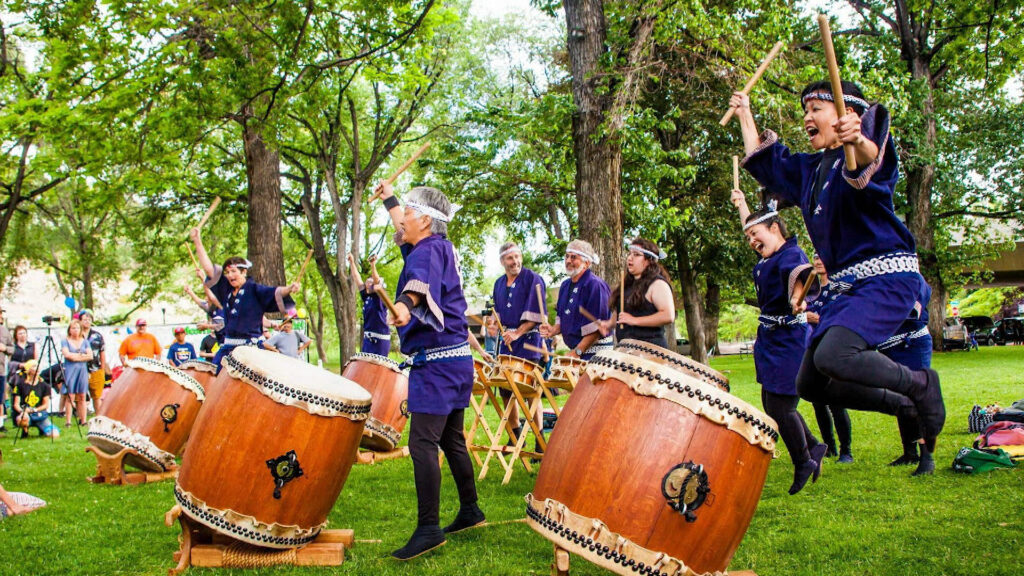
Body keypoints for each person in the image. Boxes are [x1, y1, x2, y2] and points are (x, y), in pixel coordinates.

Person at [731, 81, 946, 466]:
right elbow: (768, 165)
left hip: (886, 279)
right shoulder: (811, 170)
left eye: (816, 108)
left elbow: (870, 158)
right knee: (810, 382)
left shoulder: (857, 151)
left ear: (847, 114)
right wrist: (745, 112)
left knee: (834, 354)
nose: (807, 117)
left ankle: (921, 384)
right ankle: (904, 403)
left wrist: (859, 138)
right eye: (805, 110)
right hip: (847, 289)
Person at [375, 180, 484, 560]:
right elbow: (406, 236)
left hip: (437, 364)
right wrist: (389, 197)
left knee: (421, 442)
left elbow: (417, 287)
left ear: (424, 219)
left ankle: (428, 529)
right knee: (451, 439)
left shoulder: (426, 252)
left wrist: (404, 305)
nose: (400, 218)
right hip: (456, 361)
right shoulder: (438, 245)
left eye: (406, 210)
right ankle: (470, 510)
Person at [731, 191, 827, 495]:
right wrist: (742, 205)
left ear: (775, 229)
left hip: (789, 340)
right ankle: (813, 446)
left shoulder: (791, 255)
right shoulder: (769, 256)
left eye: (755, 236)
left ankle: (804, 460)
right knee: (775, 403)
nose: (751, 242)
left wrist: (798, 298)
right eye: (748, 238)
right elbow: (755, 224)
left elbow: (799, 280)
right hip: (771, 339)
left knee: (780, 406)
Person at [189, 228, 299, 370]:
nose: (229, 275)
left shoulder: (255, 290)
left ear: (244, 272)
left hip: (252, 349)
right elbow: (209, 269)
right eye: (227, 272)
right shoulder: (226, 290)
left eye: (233, 271)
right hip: (228, 348)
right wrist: (197, 241)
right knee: (214, 378)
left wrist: (289, 288)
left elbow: (275, 292)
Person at [491, 241, 547, 452]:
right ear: (502, 262)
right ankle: (516, 437)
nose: (515, 262)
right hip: (507, 342)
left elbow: (536, 314)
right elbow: (498, 311)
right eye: (510, 258)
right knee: (505, 391)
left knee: (529, 391)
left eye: (517, 257)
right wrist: (493, 323)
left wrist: (518, 333)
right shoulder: (498, 283)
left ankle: (540, 442)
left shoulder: (532, 279)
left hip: (529, 341)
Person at [803, 254, 854, 464]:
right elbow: (798, 309)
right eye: (815, 256)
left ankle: (846, 450)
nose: (818, 260)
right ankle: (829, 447)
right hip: (814, 346)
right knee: (818, 402)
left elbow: (848, 313)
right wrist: (803, 316)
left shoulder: (840, 286)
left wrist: (821, 318)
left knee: (836, 402)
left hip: (834, 347)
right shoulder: (811, 289)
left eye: (823, 256)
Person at [539, 240, 613, 360]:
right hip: (578, 352)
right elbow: (562, 320)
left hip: (597, 354)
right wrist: (552, 330)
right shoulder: (564, 286)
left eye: (574, 257)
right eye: (567, 256)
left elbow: (597, 328)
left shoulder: (595, 285)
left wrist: (577, 352)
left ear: (586, 263)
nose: (568, 261)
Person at [607, 238, 676, 347]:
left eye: (636, 255)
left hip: (650, 351)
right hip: (626, 350)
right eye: (629, 254)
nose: (630, 258)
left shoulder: (658, 284)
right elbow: (618, 319)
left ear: (649, 260)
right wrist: (605, 325)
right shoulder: (627, 285)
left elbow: (668, 315)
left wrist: (635, 320)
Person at [348, 253, 391, 356]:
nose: (369, 282)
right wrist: (352, 262)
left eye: (371, 281)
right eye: (368, 281)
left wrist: (373, 265)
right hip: (368, 339)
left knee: (377, 367)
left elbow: (376, 281)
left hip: (380, 340)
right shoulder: (367, 297)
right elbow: (356, 278)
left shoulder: (378, 297)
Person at [11, 360, 59, 438]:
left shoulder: (45, 386)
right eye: (34, 366)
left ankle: (43, 430)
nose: (37, 368)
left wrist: (34, 410)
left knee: (54, 434)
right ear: (28, 370)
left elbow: (45, 405)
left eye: (37, 366)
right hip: (25, 413)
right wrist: (23, 411)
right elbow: (16, 404)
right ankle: (25, 431)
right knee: (22, 418)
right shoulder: (20, 385)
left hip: (39, 414)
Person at [61, 319, 93, 427]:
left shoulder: (85, 341)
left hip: (82, 370)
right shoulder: (65, 341)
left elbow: (90, 355)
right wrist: (81, 357)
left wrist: (77, 357)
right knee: (70, 395)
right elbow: (67, 355)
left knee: (82, 395)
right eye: (73, 328)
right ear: (69, 330)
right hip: (70, 369)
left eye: (77, 328)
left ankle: (83, 420)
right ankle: (68, 421)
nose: (75, 330)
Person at [79, 310, 111, 415]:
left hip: (96, 368)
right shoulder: (76, 334)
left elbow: (102, 352)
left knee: (97, 396)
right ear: (80, 321)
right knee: (81, 395)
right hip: (80, 369)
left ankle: (99, 417)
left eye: (89, 319)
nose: (87, 321)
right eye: (84, 319)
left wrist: (102, 368)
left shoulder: (97, 336)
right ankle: (82, 419)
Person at [0, 307, 13, 432]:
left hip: (1, 369)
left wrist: (5, 348)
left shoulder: (4, 331)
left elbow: (12, 348)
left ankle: (0, 424)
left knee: (0, 398)